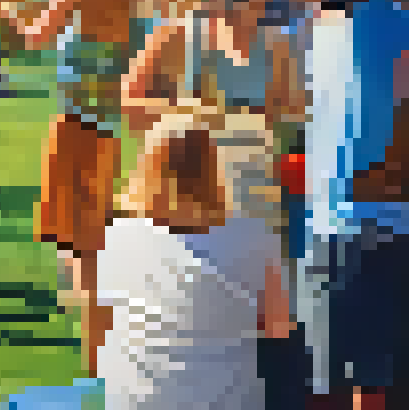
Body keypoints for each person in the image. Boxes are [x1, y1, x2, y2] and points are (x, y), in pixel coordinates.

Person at [22, 0, 144, 376]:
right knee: (93, 241)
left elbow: (39, 37)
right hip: (110, 126)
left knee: (84, 249)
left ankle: (97, 361)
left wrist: (9, 16)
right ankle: (102, 350)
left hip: (76, 122)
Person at [95, 123, 291, 410]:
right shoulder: (254, 237)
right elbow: (279, 328)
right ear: (213, 172)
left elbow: (107, 324)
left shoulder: (118, 236)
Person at [296, 0, 408, 410]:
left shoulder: (389, 28)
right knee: (346, 378)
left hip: (361, 228)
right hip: (335, 225)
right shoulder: (323, 28)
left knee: (346, 381)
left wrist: (381, 177)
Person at [121, 0, 306, 234]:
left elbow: (292, 116)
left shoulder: (277, 49)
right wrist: (191, 113)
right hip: (182, 189)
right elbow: (130, 104)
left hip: (249, 190)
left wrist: (257, 118)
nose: (256, 8)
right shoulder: (178, 37)